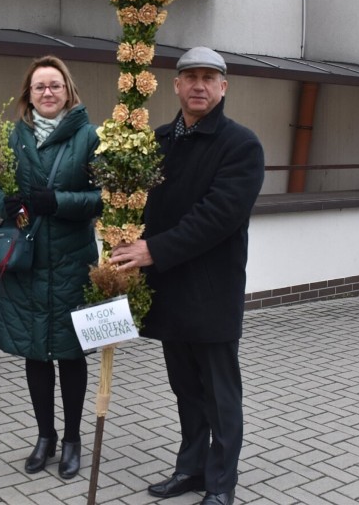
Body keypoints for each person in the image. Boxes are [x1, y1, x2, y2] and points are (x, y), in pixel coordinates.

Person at [109, 47, 264, 505]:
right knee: (186, 390)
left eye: (208, 78)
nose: (198, 85)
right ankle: (191, 469)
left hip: (212, 293)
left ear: (223, 87)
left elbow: (218, 216)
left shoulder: (241, 144)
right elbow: (142, 207)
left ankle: (221, 484)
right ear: (175, 86)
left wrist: (152, 249)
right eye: (190, 77)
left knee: (219, 395)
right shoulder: (157, 141)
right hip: (170, 290)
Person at [0, 55, 102, 479]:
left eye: (54, 85)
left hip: (71, 263)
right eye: (39, 87)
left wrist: (60, 203)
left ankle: (71, 440)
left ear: (68, 90)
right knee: (35, 352)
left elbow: (106, 197)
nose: (47, 93)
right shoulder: (12, 138)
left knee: (69, 353)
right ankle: (44, 436)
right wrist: (4, 203)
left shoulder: (90, 137)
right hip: (26, 263)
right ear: (28, 95)